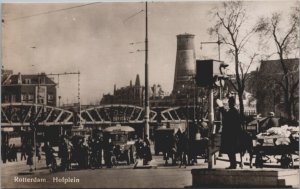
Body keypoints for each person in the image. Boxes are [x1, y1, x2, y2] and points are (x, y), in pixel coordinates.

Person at [216, 97, 242, 169]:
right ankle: (233, 164)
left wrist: (221, 107)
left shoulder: (233, 111)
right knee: (231, 150)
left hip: (231, 134)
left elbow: (226, 116)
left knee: (230, 150)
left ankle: (233, 164)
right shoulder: (234, 111)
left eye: (230, 102)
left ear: (232, 103)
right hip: (233, 134)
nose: (229, 104)